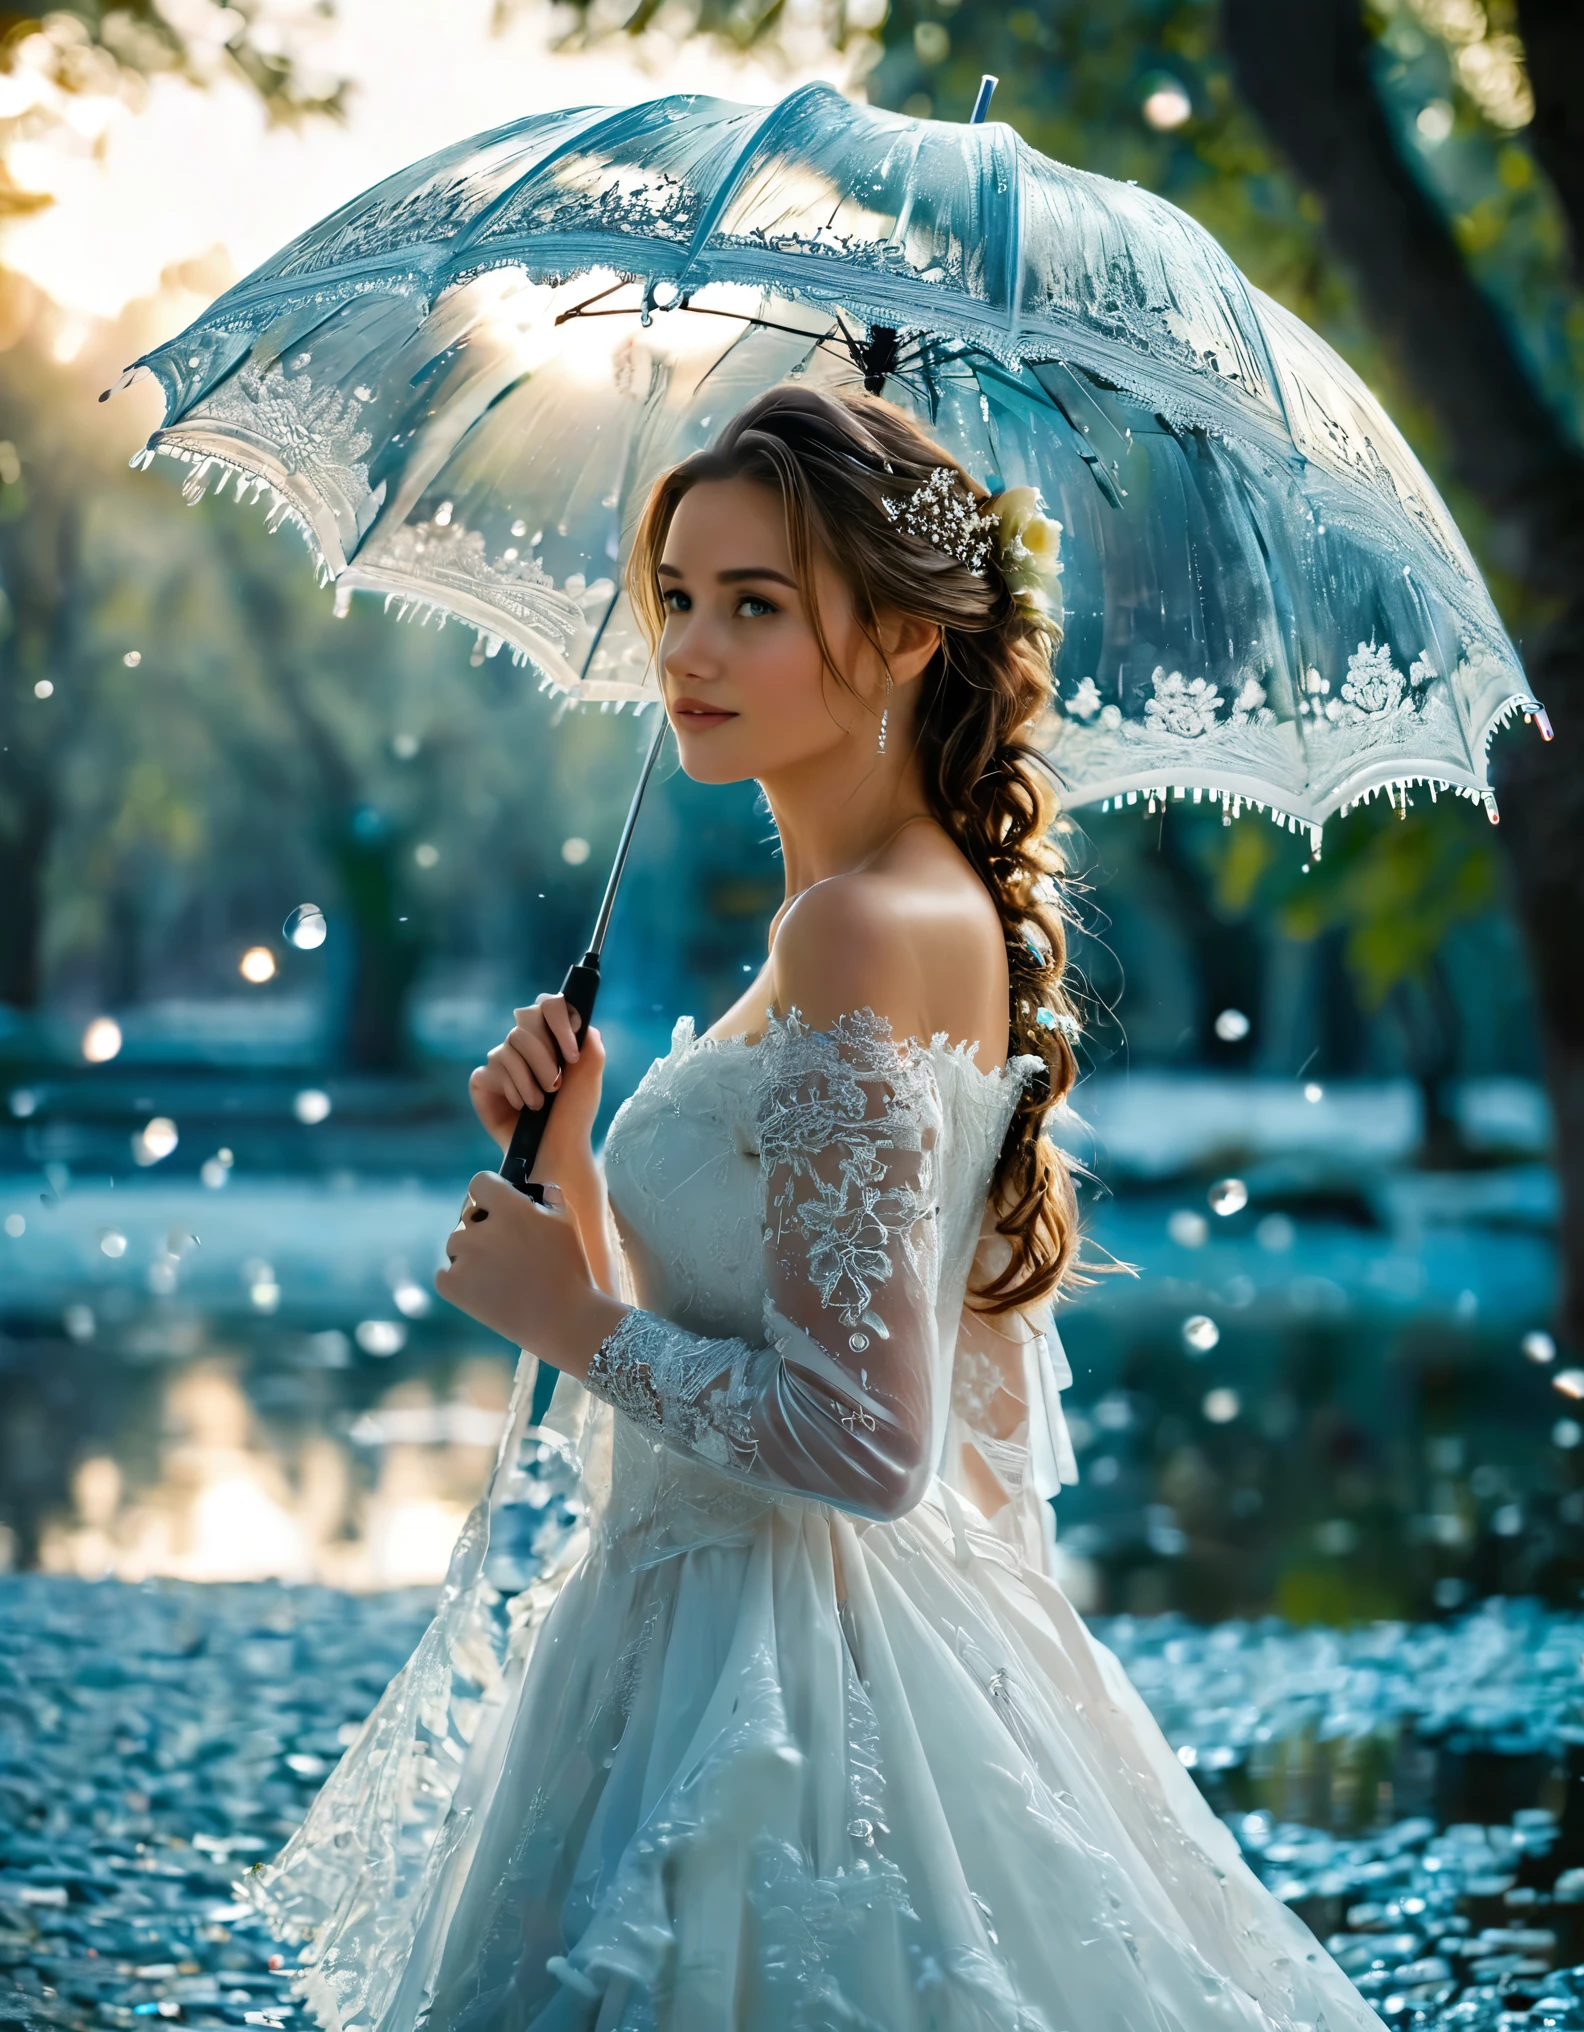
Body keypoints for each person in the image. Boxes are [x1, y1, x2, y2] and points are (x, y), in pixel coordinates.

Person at [245, 388, 1383, 2031]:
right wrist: (570, 1159)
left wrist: (570, 1318)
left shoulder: (861, 928)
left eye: (756, 605)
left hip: (785, 1685)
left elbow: (862, 1446)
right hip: (713, 1623)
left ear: (911, 636)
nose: (690, 652)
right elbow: (753, 1339)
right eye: (681, 599)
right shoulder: (878, 910)